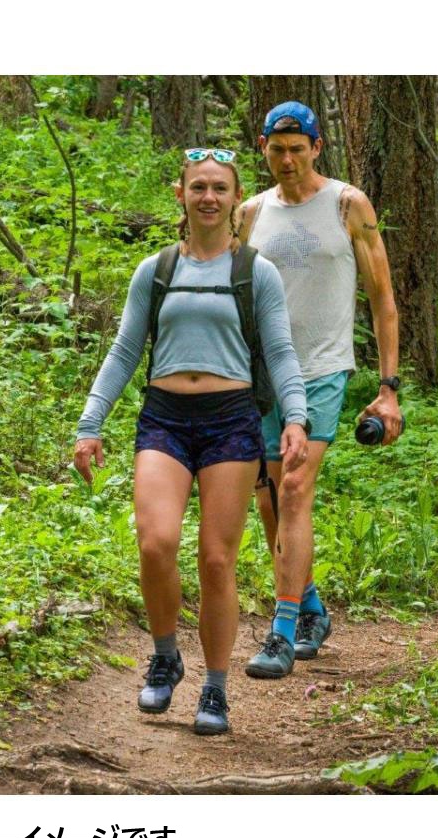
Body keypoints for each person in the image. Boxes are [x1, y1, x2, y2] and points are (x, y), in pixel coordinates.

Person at [74, 148, 309, 733]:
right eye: (198, 186)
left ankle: (215, 687)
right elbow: (125, 351)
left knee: (216, 560)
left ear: (236, 198)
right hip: (165, 418)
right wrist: (89, 423)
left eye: (219, 188)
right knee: (156, 543)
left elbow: (280, 351)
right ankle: (165, 656)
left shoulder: (256, 272)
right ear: (181, 194)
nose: (209, 197)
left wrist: (296, 418)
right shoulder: (155, 270)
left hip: (231, 421)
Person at [237, 101, 402, 677]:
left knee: (295, 486)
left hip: (323, 368)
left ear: (316, 147)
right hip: (262, 373)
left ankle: (282, 632)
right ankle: (309, 606)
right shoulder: (250, 213)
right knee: (269, 499)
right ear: (264, 149)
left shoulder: (347, 205)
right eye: (277, 150)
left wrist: (388, 387)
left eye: (297, 149)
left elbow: (382, 298)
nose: (287, 160)